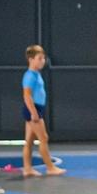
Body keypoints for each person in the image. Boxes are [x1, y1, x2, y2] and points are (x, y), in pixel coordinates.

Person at [21, 45, 66, 178]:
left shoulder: (35, 74)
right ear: (31, 59)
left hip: (36, 108)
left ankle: (27, 168)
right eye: (39, 58)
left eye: (43, 58)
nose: (42, 61)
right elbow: (27, 96)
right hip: (33, 109)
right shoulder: (30, 76)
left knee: (29, 140)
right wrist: (34, 112)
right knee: (43, 138)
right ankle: (50, 167)